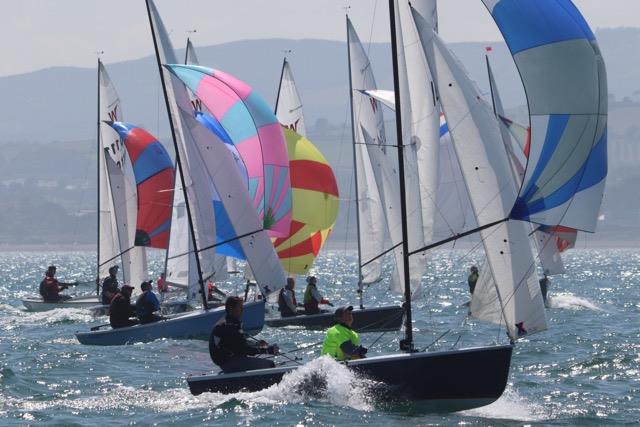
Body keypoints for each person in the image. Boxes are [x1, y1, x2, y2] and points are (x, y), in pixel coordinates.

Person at [209, 296, 279, 373]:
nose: (242, 310)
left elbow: (239, 343)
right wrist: (267, 350)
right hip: (230, 364)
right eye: (240, 307)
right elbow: (244, 349)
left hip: (228, 362)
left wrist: (257, 344)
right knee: (270, 365)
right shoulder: (228, 326)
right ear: (230, 308)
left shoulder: (227, 323)